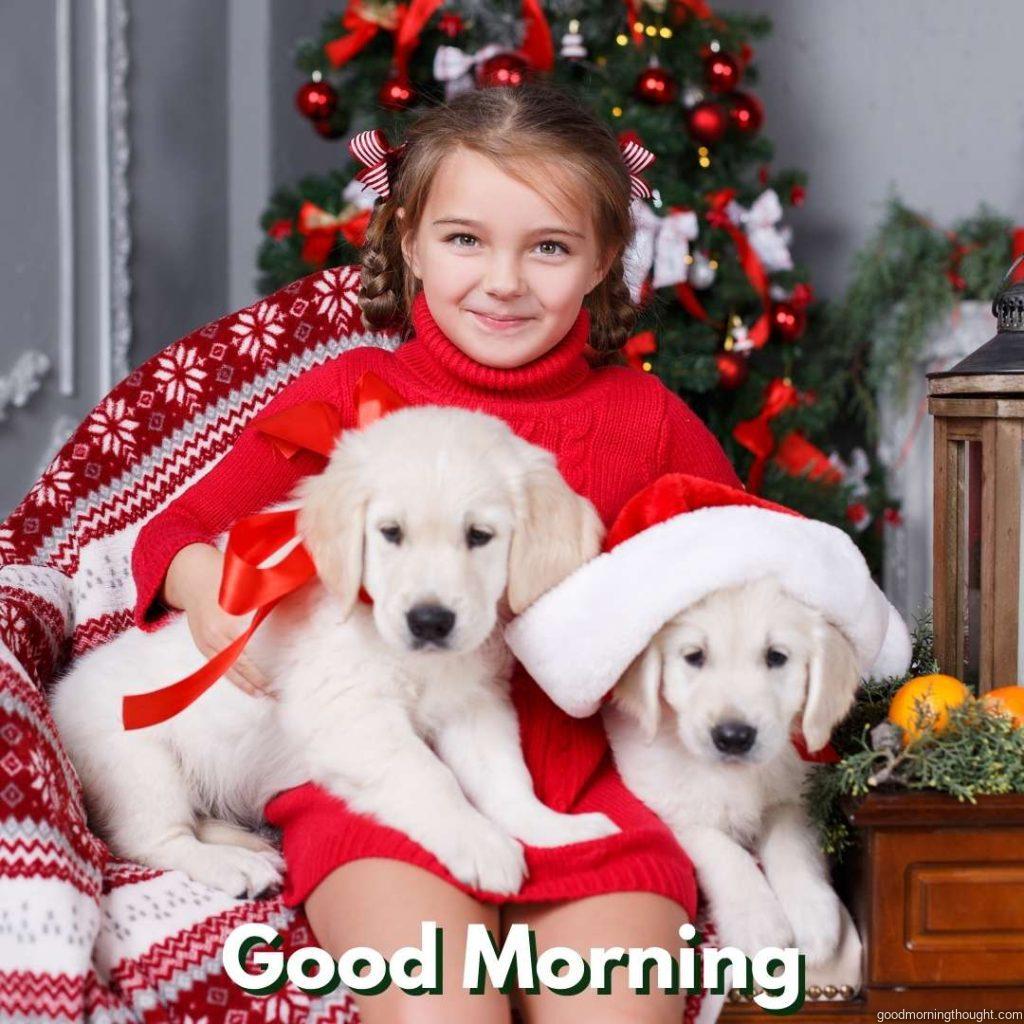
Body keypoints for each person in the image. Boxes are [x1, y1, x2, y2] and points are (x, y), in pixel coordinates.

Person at [131, 83, 741, 1023]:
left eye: (549, 246)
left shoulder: (647, 421)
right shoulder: (350, 392)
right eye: (465, 239)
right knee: (441, 1009)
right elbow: (171, 532)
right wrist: (205, 577)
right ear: (409, 241)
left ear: (605, 258)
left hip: (588, 792)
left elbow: (743, 581)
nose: (503, 280)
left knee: (615, 1012)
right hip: (375, 793)